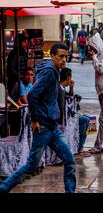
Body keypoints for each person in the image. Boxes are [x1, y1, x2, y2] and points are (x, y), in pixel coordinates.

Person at [0, 43, 76, 194]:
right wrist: (35, 120)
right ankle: (3, 188)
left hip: (52, 128)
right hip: (43, 127)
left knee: (69, 161)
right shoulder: (48, 72)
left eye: (65, 57)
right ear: (52, 56)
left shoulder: (53, 71)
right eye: (60, 56)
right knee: (31, 166)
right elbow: (33, 94)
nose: (63, 60)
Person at [58, 67, 91, 157]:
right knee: (86, 120)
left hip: (67, 117)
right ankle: (80, 148)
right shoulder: (59, 89)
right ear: (69, 78)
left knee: (87, 118)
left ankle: (79, 145)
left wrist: (71, 88)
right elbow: (62, 108)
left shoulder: (62, 88)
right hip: (63, 120)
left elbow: (69, 98)